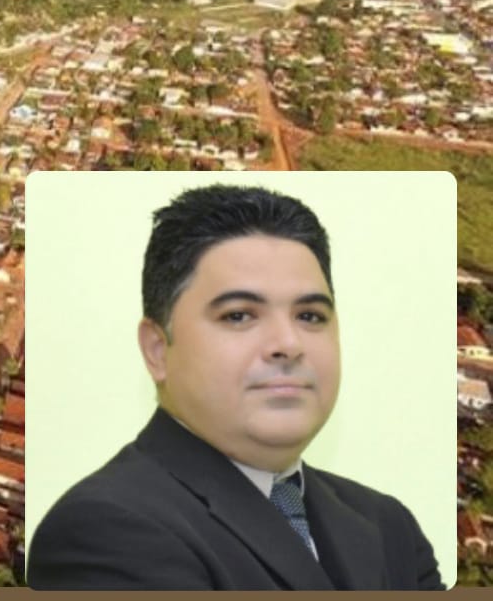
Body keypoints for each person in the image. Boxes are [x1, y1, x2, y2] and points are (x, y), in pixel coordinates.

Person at [28, 184, 444, 590]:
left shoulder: (389, 525)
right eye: (239, 315)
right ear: (157, 350)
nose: (288, 344)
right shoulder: (105, 529)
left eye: (310, 316)